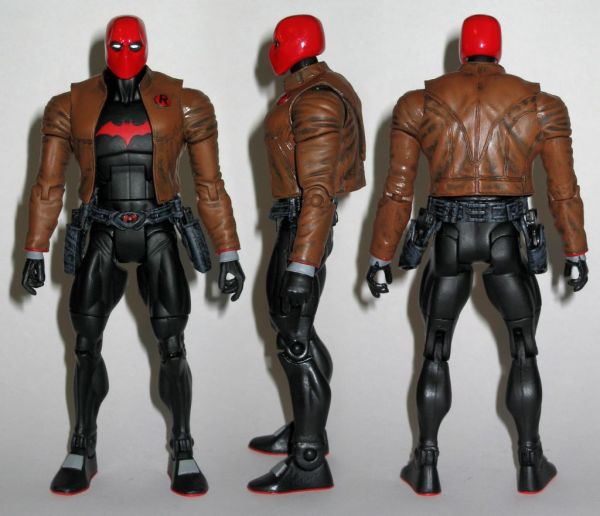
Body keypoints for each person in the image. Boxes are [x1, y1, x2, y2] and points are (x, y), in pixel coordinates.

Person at [21, 15, 244, 496]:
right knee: (85, 344)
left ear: (147, 45)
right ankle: (82, 444)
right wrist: (35, 247)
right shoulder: (68, 106)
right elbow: (49, 184)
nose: (125, 53)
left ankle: (182, 446)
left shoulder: (186, 102)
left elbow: (209, 185)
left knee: (172, 346)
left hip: (158, 226)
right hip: (100, 227)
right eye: (117, 45)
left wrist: (228, 249)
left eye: (133, 44)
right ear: (106, 47)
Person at [366, 14, 588, 495]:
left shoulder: (417, 103)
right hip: (507, 233)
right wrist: (575, 249)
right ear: (497, 48)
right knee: (523, 350)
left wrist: (381, 255)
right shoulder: (542, 105)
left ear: (462, 51)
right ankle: (530, 463)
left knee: (434, 351)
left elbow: (397, 190)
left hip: (448, 234)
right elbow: (563, 189)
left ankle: (426, 465)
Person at [247, 14, 366, 493]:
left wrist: (302, 263)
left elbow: (318, 191)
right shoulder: (307, 91)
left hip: (303, 226)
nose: (271, 51)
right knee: (298, 333)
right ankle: (306, 428)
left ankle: (309, 458)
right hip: (296, 222)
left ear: (289, 45)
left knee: (294, 341)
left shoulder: (315, 98)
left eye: (276, 43)